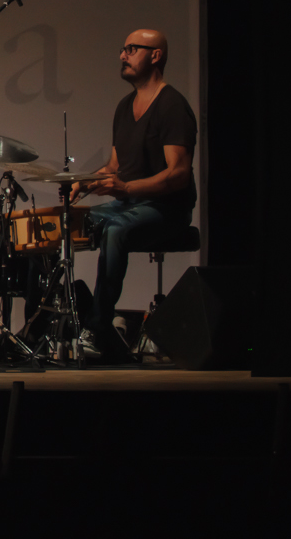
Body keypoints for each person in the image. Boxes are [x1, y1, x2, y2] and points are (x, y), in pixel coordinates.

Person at [72, 29, 196, 362]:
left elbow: (178, 175)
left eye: (131, 49)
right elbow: (116, 166)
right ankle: (60, 320)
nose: (122, 55)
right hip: (129, 203)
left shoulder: (173, 106)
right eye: (123, 49)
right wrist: (83, 183)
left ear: (155, 55)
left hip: (167, 209)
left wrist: (126, 188)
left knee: (116, 230)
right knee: (66, 223)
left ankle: (96, 330)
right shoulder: (125, 106)